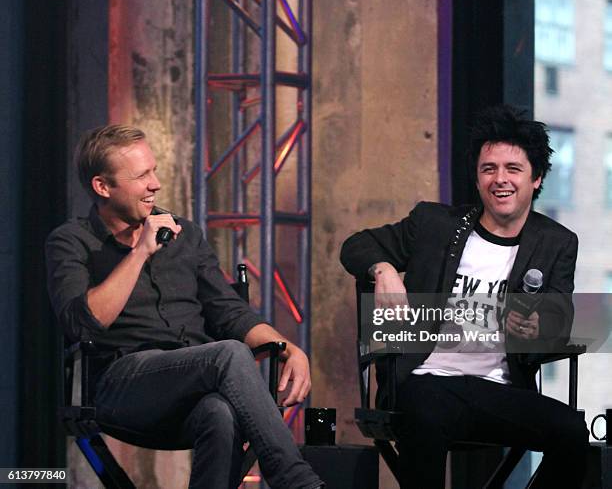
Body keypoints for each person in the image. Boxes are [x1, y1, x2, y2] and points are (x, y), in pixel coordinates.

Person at [46, 125, 324, 489]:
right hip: (120, 386)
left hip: (191, 383)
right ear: (103, 187)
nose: (156, 184)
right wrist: (140, 251)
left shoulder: (185, 234)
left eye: (154, 170)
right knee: (227, 355)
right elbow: (84, 323)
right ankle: (297, 482)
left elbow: (228, 311)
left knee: (219, 412)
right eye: (142, 175)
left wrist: (288, 348)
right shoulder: (71, 241)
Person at [340, 105, 589, 488]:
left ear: (536, 179)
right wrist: (383, 269)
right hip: (426, 381)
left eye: (513, 169)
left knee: (572, 431)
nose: (499, 180)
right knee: (427, 406)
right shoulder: (435, 226)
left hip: (501, 391)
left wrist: (538, 330)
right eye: (489, 169)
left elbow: (559, 322)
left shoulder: (556, 243)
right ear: (477, 178)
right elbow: (356, 246)